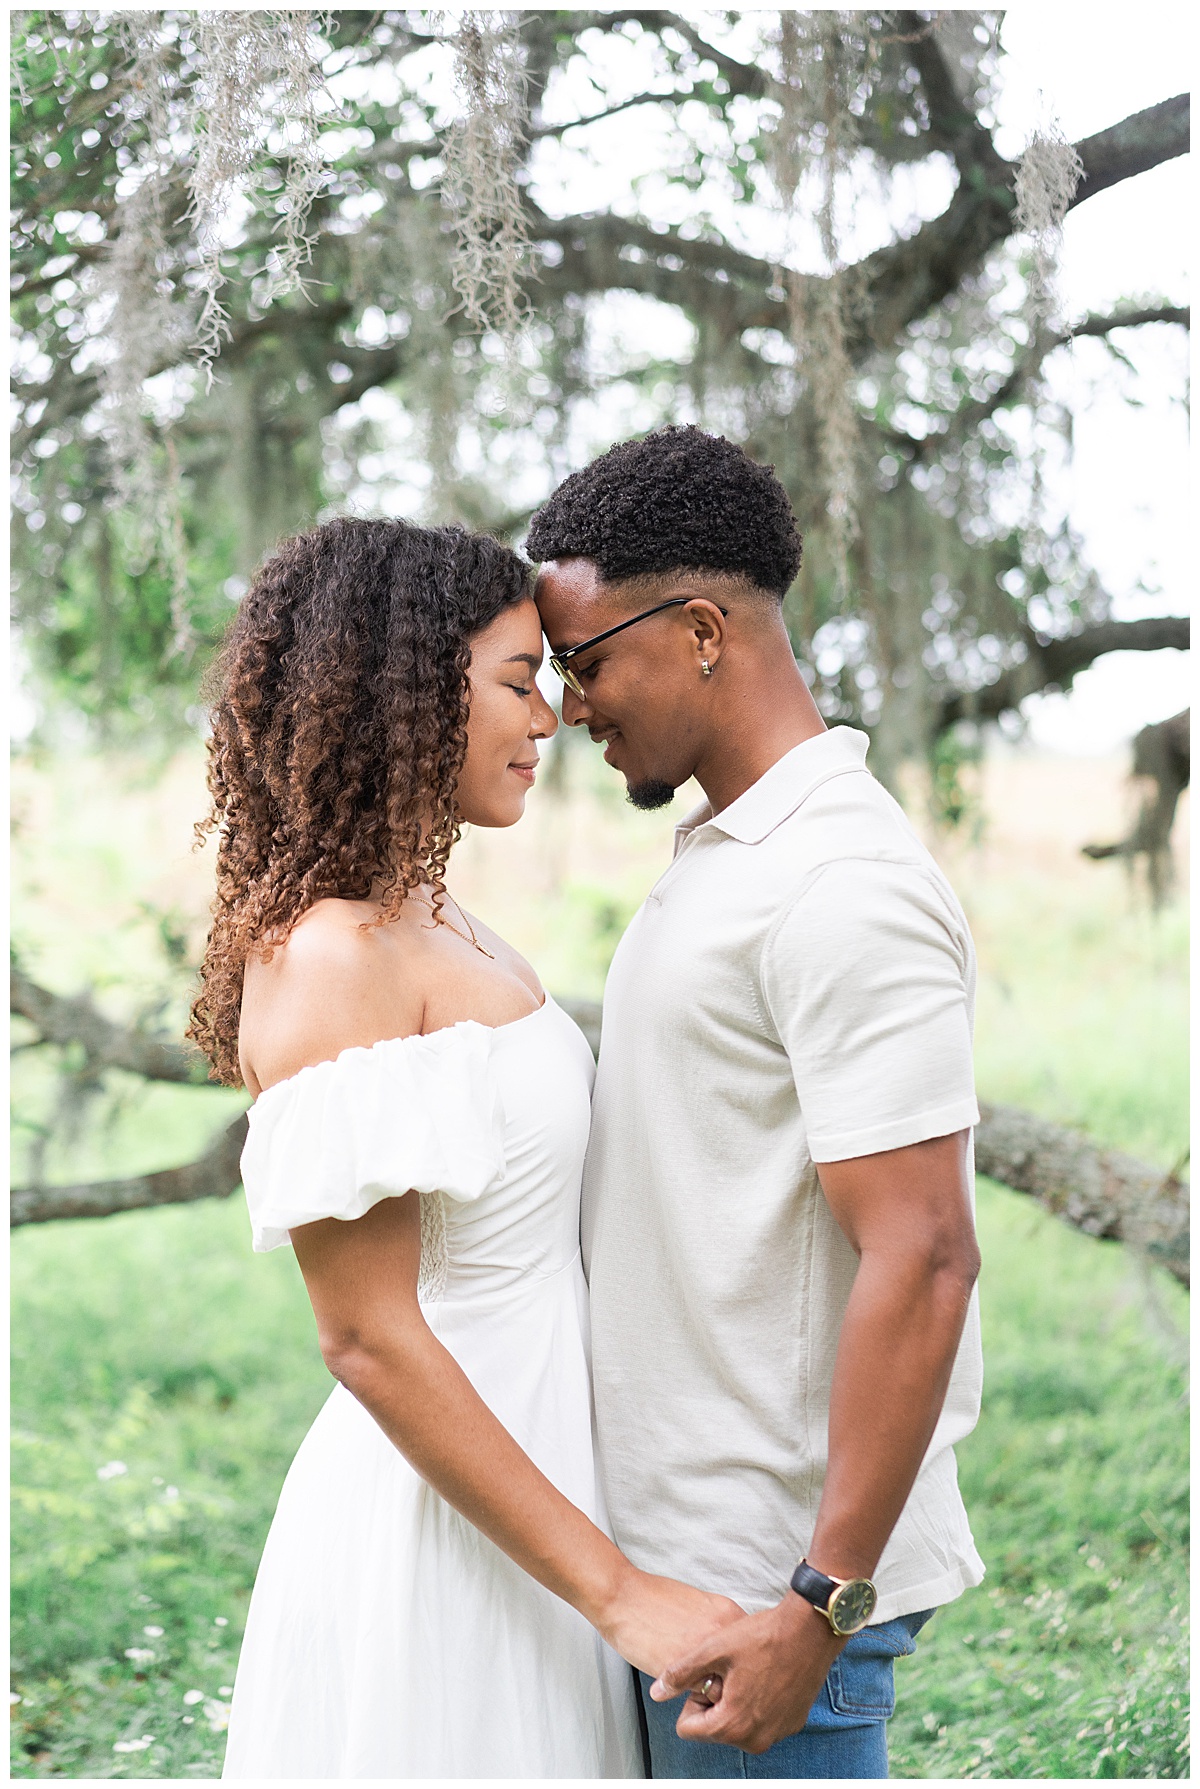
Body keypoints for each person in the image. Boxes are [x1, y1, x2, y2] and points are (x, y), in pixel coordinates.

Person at [188, 516, 742, 1779]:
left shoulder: (443, 920)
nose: (550, 718)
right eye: (514, 683)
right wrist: (616, 1593)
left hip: (547, 1489)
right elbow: (368, 1335)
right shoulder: (334, 957)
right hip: (441, 1534)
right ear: (403, 695)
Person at [529, 425, 985, 1779]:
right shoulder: (731, 852)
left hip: (761, 1602)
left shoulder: (841, 882)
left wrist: (818, 1604)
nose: (568, 704)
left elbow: (927, 1250)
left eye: (586, 659)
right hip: (674, 1572)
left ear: (707, 630)